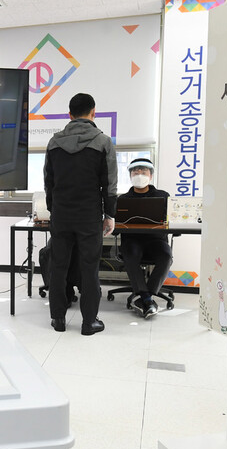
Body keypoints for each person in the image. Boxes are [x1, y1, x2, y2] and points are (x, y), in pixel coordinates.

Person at [43, 93, 116, 335]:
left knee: (58, 268)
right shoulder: (103, 142)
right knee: (89, 269)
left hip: (62, 215)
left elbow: (48, 182)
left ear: (69, 114)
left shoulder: (54, 143)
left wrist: (55, 210)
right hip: (89, 216)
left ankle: (58, 320)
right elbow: (110, 185)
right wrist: (110, 215)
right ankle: (89, 322)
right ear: (93, 112)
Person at [116, 158, 172, 318]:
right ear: (130, 175)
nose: (139, 175)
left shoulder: (163, 196)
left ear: (151, 176)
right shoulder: (122, 199)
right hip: (132, 241)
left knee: (166, 256)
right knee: (130, 255)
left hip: (156, 240)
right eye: (135, 172)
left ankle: (145, 296)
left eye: (143, 172)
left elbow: (171, 219)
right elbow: (116, 223)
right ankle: (147, 299)